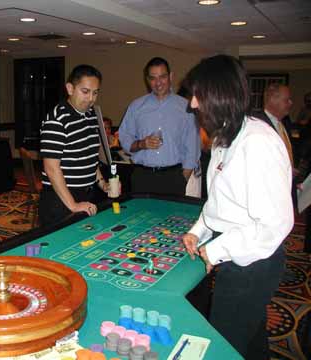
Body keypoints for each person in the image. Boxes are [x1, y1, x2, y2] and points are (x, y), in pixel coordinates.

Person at [182, 55, 294, 360]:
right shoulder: (225, 136)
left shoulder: (257, 143)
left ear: (219, 94)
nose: (192, 104)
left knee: (222, 344)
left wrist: (215, 250)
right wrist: (199, 232)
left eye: (197, 95)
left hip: (254, 264)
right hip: (236, 254)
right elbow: (219, 203)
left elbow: (275, 224)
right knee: (249, 336)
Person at [39, 64, 112, 225]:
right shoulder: (57, 119)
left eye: (95, 93)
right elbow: (51, 168)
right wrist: (73, 205)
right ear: (70, 88)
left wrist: (103, 184)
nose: (90, 99)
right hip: (61, 200)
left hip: (86, 195)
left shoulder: (91, 115)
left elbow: (90, 157)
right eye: (85, 92)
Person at [119, 57, 200, 196]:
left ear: (171, 76)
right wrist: (141, 144)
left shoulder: (186, 107)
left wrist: (182, 178)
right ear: (147, 80)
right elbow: (124, 138)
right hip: (142, 177)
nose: (158, 83)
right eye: (153, 78)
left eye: (162, 77)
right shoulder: (136, 106)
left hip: (173, 177)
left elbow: (193, 148)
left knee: (171, 218)